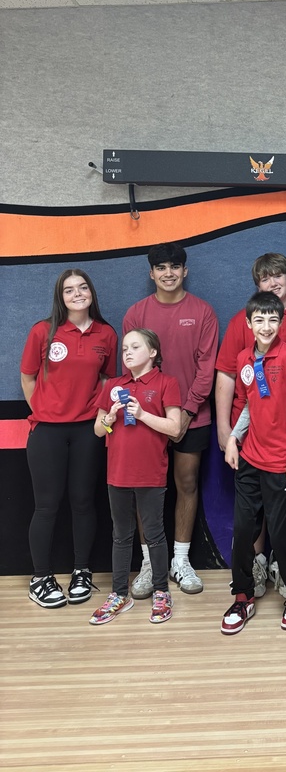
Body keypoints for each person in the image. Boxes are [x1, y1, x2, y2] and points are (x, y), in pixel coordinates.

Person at [214, 252, 286, 596]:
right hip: (252, 454)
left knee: (284, 525)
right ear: (250, 324)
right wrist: (232, 437)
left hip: (285, 455)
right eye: (259, 321)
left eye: (272, 320)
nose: (266, 326)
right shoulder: (248, 355)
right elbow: (250, 399)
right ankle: (245, 585)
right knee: (246, 526)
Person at [123, 243, 218, 597]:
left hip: (192, 416)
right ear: (151, 273)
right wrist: (151, 414)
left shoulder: (203, 312)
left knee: (187, 482)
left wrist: (187, 412)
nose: (168, 273)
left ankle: (181, 559)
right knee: (147, 490)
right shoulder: (135, 313)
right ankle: (150, 563)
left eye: (175, 266)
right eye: (160, 267)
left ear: (184, 271)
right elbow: (130, 366)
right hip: (147, 417)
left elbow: (206, 370)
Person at [21, 269, 118, 608]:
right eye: (69, 290)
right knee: (46, 506)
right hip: (46, 432)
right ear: (60, 298)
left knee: (82, 502)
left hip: (87, 432)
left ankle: (81, 571)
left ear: (91, 291)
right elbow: (27, 377)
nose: (77, 294)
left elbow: (107, 378)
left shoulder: (106, 333)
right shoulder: (42, 331)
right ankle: (41, 577)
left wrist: (95, 416)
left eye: (82, 287)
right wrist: (46, 411)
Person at [90, 330, 182, 625]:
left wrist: (141, 414)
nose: (127, 352)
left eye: (135, 347)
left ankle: (161, 591)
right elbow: (98, 430)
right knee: (121, 535)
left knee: (154, 534)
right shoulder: (115, 386)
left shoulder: (167, 383)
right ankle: (119, 594)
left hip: (151, 473)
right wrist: (109, 419)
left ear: (153, 352)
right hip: (117, 473)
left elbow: (175, 428)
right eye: (125, 348)